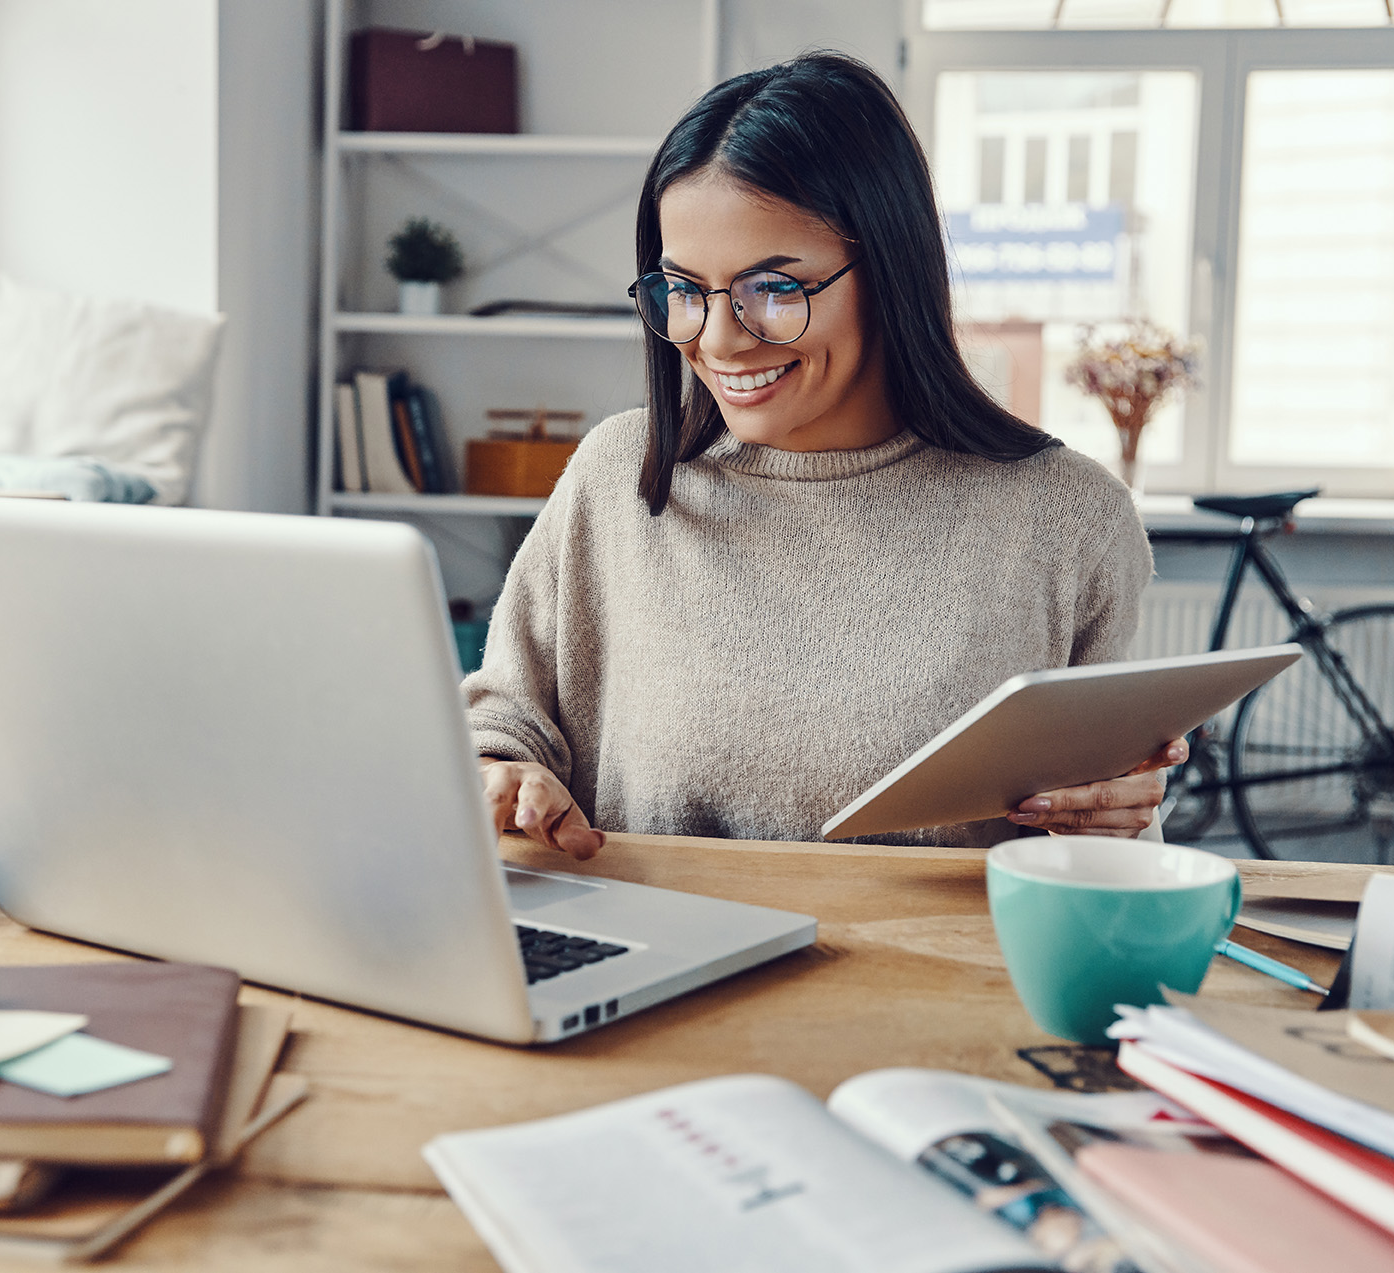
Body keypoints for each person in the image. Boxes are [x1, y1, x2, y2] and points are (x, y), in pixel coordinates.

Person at [465, 52, 1179, 861]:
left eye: (773, 288)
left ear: (889, 271)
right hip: (666, 969)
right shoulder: (619, 477)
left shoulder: (1065, 518)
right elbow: (502, 721)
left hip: (938, 977)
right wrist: (502, 773)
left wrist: (1117, 812)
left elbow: (1107, 835)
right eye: (685, 290)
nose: (720, 339)